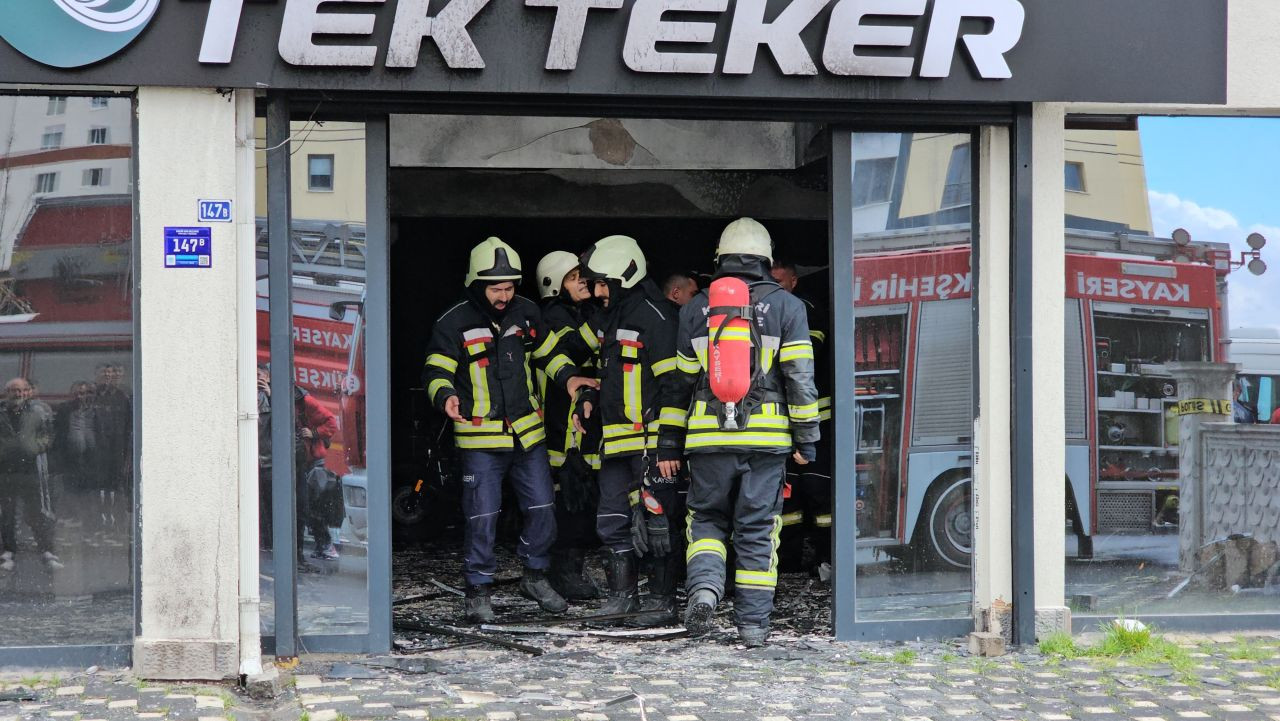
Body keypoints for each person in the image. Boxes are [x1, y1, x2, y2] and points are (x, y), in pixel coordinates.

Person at [658, 218, 820, 647]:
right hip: (766, 442)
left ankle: (706, 591)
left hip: (708, 439)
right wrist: (807, 439)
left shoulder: (695, 308)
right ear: (766, 259)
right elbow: (799, 378)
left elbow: (680, 383)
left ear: (721, 259)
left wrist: (669, 442)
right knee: (758, 528)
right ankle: (752, 628)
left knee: (707, 519)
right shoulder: (788, 306)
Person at [423, 237, 590, 623]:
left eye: (510, 286)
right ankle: (478, 591)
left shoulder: (528, 312)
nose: (504, 295)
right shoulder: (453, 321)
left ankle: (534, 575)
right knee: (481, 517)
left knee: (544, 509)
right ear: (476, 284)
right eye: (496, 288)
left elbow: (549, 354)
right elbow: (434, 370)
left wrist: (569, 380)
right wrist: (444, 395)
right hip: (480, 439)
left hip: (527, 436)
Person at [548, 235, 684, 626]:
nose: (597, 291)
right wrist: (581, 389)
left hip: (652, 444)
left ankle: (661, 602)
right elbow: (570, 352)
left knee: (657, 524)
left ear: (627, 276)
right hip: (615, 442)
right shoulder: (610, 316)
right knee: (611, 520)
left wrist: (668, 445)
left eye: (604, 283)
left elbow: (674, 385)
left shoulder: (657, 318)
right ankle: (622, 599)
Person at [534, 250, 603, 600]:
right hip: (561, 428)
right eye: (574, 277)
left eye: (583, 275)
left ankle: (571, 568)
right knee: (568, 502)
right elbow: (571, 353)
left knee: (583, 500)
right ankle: (562, 572)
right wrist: (602, 323)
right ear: (553, 284)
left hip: (583, 424)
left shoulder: (583, 312)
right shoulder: (553, 316)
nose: (583, 281)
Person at [771, 259, 832, 575]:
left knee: (819, 495)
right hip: (780, 423)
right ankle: (790, 563)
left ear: (794, 281)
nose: (773, 287)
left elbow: (802, 364)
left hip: (816, 422)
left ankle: (827, 559)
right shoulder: (769, 310)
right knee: (787, 498)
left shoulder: (806, 309)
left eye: (779, 281)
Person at [257, 364, 340, 564]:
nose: (260, 380)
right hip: (297, 458)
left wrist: (315, 433)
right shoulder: (269, 397)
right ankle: (317, 547)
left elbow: (331, 422)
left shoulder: (302, 399)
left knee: (308, 505)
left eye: (262, 376)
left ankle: (325, 545)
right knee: (301, 505)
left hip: (310, 459)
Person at [0, 377, 60, 571]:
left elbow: (49, 434)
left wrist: (36, 447)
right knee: (7, 513)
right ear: (6, 392)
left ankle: (46, 550)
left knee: (37, 512)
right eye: (13, 391)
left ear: (27, 392)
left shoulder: (39, 411)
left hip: (31, 470)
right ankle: (9, 551)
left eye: (21, 390)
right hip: (5, 470)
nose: (17, 394)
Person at [91, 361, 131, 527]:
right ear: (97, 375)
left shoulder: (122, 396)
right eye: (104, 373)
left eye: (110, 374)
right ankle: (99, 518)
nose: (108, 376)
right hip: (97, 446)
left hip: (117, 446)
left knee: (116, 483)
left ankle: (116, 518)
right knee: (98, 483)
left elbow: (128, 424)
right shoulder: (92, 395)